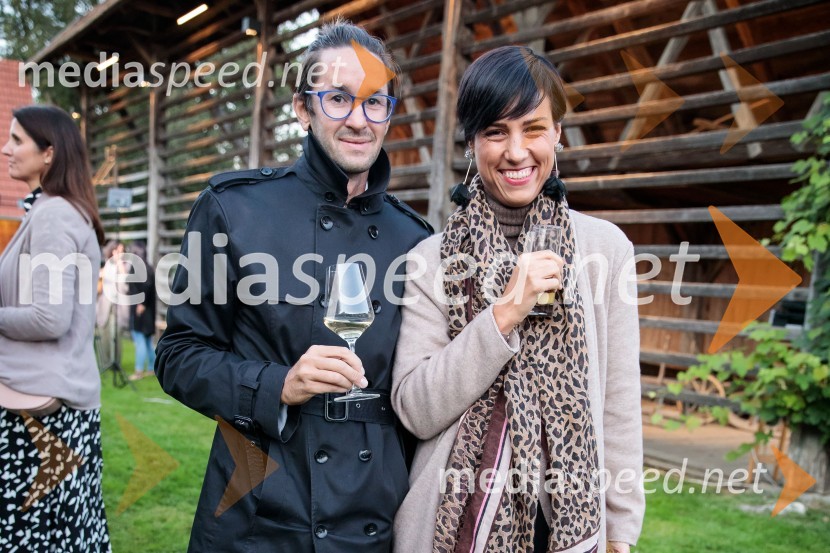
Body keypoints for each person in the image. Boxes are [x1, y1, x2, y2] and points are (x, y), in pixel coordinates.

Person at [155, 20, 432, 552]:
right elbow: (178, 355)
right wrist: (276, 385)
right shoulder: (232, 209)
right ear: (302, 108)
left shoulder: (416, 240)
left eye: (376, 102)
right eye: (338, 99)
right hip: (257, 508)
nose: (359, 119)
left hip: (373, 516)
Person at [391, 46, 645, 553]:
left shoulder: (606, 249)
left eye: (532, 128)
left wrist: (620, 533)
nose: (515, 151)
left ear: (556, 134)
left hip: (568, 524)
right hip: (454, 521)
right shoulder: (429, 260)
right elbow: (415, 408)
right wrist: (504, 313)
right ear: (471, 144)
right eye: (495, 132)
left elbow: (618, 404)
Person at [0, 105, 111, 551]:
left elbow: (50, 318)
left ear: (49, 153)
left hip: (40, 411)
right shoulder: (49, 211)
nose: (6, 149)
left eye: (16, 140)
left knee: (38, 537)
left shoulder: (54, 215)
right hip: (48, 406)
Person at [126, 241, 156, 380]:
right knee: (147, 339)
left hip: (141, 309)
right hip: (148, 309)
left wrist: (141, 303)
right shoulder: (148, 267)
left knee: (140, 339)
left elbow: (147, 285)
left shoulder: (138, 267)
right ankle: (152, 368)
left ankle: (139, 371)